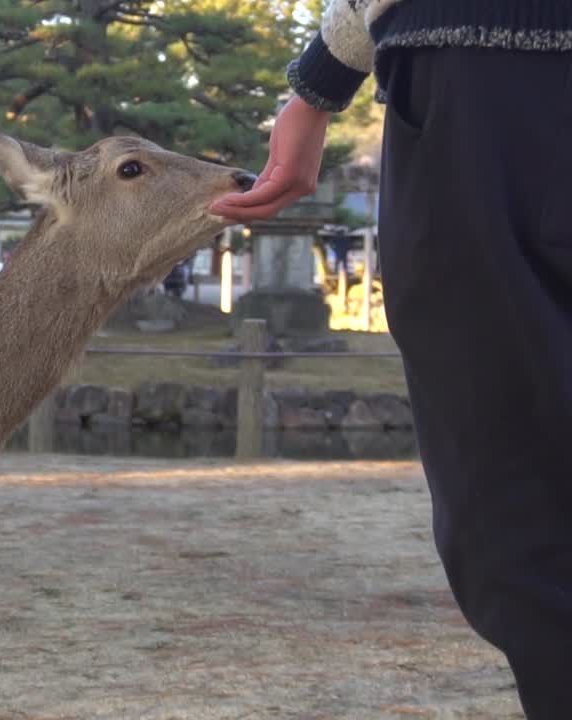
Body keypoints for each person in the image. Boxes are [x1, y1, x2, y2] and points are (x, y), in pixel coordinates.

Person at [210, 2, 572, 718]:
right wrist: (321, 84)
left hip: (476, 80)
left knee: (509, 517)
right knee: (510, 523)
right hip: (468, 72)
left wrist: (319, 86)